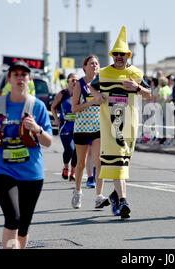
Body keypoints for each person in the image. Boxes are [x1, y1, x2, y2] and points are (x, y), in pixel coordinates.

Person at [0, 61, 53, 249]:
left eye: (23, 75)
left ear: (30, 79)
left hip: (31, 172)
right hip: (2, 168)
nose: (20, 78)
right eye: (16, 74)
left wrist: (37, 129)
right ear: (9, 79)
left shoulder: (38, 106)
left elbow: (48, 142)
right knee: (13, 217)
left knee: (24, 224)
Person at [89, 26, 152, 219]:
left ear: (128, 56)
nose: (119, 57)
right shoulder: (105, 73)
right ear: (112, 55)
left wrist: (137, 87)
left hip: (130, 125)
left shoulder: (136, 73)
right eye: (116, 54)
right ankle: (123, 200)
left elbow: (149, 94)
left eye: (122, 54)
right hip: (110, 125)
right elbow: (91, 87)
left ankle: (115, 197)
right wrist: (97, 95)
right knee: (118, 163)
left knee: (124, 164)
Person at [70, 55, 108, 209]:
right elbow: (74, 108)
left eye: (96, 63)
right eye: (91, 63)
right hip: (82, 127)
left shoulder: (102, 83)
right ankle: (77, 191)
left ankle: (99, 196)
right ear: (84, 67)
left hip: (98, 126)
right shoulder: (80, 84)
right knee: (81, 163)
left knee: (99, 160)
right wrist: (92, 101)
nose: (94, 66)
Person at [51, 73, 78, 181]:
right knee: (69, 149)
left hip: (77, 126)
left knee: (77, 150)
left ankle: (73, 172)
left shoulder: (80, 94)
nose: (74, 82)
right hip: (65, 127)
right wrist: (56, 119)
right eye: (72, 80)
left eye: (76, 80)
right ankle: (66, 167)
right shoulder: (62, 94)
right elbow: (53, 107)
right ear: (67, 81)